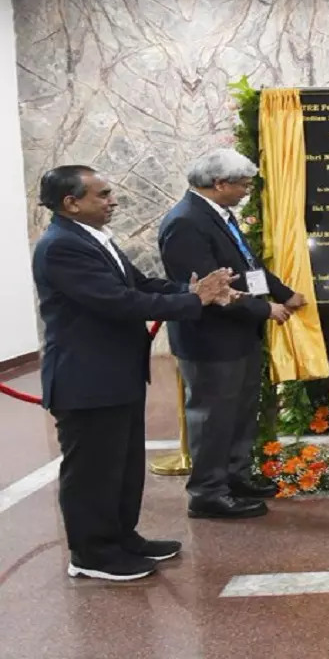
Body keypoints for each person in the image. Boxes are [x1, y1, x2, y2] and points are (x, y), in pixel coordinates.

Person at [32, 165, 236, 581]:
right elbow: (119, 302)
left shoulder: (92, 238)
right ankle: (91, 553)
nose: (113, 201)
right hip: (86, 377)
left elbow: (140, 284)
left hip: (116, 373)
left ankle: (122, 537)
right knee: (92, 469)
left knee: (122, 464)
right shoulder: (60, 247)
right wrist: (195, 302)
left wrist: (190, 291)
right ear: (72, 203)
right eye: (103, 195)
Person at [159, 149, 305, 519]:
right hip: (210, 339)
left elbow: (246, 267)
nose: (245, 191)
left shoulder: (219, 216)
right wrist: (265, 309)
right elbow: (211, 289)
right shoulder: (185, 222)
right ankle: (208, 492)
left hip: (239, 336)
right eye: (241, 184)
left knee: (239, 413)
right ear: (219, 184)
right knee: (211, 418)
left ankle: (236, 477)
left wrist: (284, 292)